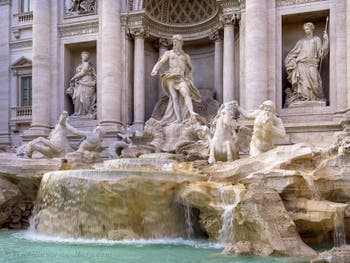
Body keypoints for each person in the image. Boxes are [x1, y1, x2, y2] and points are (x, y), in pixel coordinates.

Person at [151, 35, 201, 125]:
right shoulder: (169, 53)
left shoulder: (185, 56)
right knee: (174, 98)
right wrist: (155, 69)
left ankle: (191, 112)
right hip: (171, 77)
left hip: (181, 78)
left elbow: (191, 68)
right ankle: (178, 119)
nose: (175, 44)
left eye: (177, 42)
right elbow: (161, 62)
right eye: (173, 42)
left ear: (181, 43)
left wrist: (190, 76)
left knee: (185, 92)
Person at [284, 22, 329, 106]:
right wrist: (292, 61)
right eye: (304, 29)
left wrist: (326, 40)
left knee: (315, 81)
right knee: (302, 82)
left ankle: (315, 98)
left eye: (307, 29)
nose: (305, 31)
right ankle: (302, 98)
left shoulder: (316, 39)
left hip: (312, 64)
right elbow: (292, 54)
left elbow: (321, 53)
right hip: (301, 64)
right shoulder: (301, 42)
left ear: (312, 29)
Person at [66, 51, 96, 117]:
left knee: (85, 97)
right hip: (79, 83)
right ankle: (78, 113)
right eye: (84, 55)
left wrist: (73, 78)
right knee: (77, 96)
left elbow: (82, 72)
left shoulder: (87, 64)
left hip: (87, 81)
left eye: (87, 56)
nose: (86, 57)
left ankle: (86, 112)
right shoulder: (79, 65)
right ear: (81, 56)